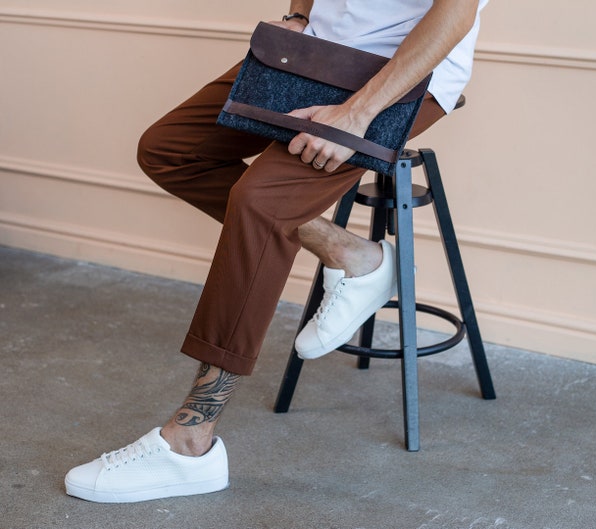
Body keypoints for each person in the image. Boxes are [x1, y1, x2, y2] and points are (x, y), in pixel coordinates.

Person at [64, 0, 488, 503]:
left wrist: (356, 113)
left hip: (399, 80)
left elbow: (455, 13)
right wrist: (298, 18)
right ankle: (354, 256)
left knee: (259, 204)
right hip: (316, 51)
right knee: (169, 149)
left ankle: (189, 444)